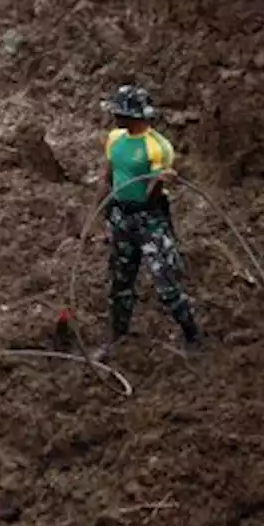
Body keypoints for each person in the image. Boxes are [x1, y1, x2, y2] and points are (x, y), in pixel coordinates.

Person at [82, 85, 201, 360]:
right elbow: (107, 177)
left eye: (118, 112)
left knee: (166, 283)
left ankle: (192, 335)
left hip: (149, 220)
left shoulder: (158, 148)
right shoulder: (115, 139)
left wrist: (159, 182)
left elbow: (150, 198)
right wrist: (95, 217)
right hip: (120, 216)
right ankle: (118, 337)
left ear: (132, 115)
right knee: (120, 281)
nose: (114, 117)